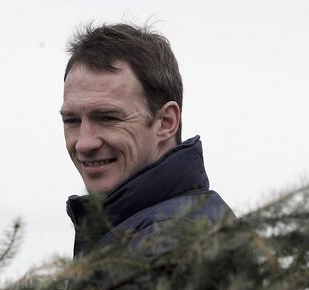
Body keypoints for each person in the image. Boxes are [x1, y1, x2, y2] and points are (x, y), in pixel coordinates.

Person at [60, 23, 237, 256]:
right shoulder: (142, 231)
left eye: (108, 118)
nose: (84, 143)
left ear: (166, 122)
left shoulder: (170, 242)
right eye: (72, 120)